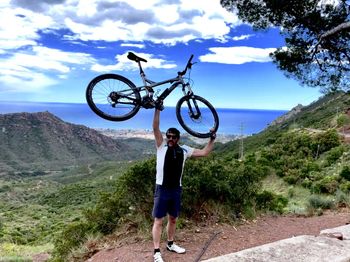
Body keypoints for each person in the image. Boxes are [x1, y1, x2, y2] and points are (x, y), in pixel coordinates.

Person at [152, 107, 216, 262]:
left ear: (178, 138)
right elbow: (155, 128)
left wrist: (212, 139)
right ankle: (156, 252)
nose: (170, 138)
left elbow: (204, 153)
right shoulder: (161, 146)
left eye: (173, 137)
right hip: (162, 188)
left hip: (176, 189)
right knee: (159, 220)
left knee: (173, 218)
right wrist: (157, 110)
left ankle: (171, 244)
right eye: (168, 136)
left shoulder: (185, 150)